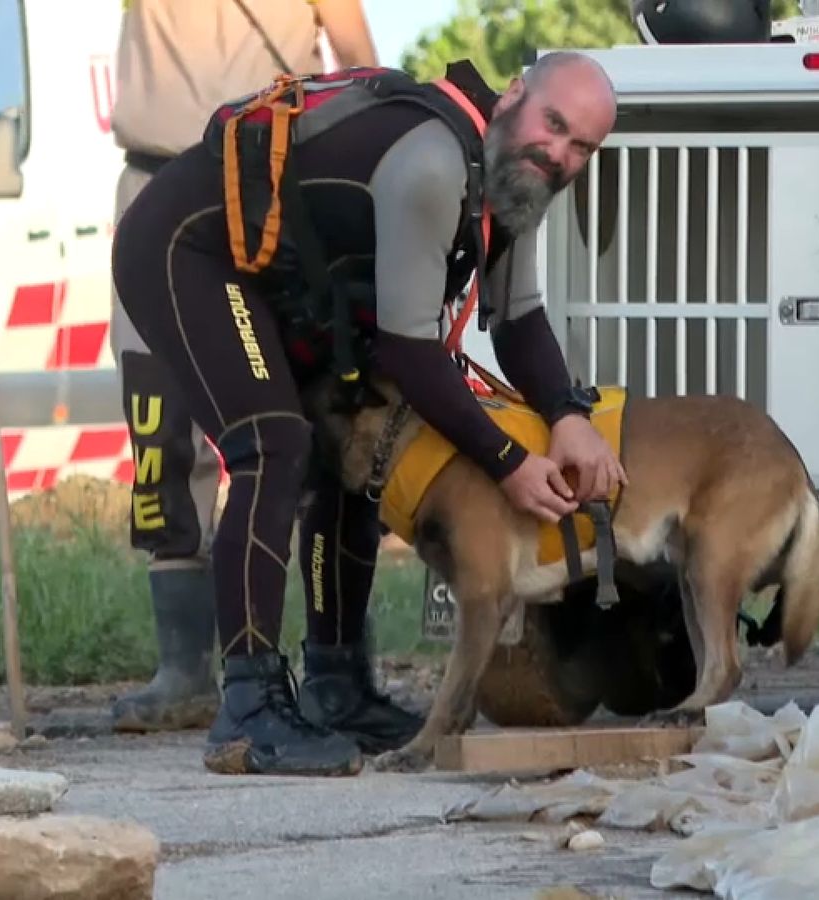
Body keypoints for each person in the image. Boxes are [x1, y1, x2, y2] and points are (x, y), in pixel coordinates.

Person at [110, 50, 625, 776]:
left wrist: (569, 414)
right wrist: (507, 461)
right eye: (554, 125)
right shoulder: (436, 163)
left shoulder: (514, 178)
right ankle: (250, 708)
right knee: (273, 444)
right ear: (513, 97)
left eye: (582, 147)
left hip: (278, 277)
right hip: (186, 248)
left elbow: (518, 319)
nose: (561, 154)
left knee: (348, 455)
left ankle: (336, 685)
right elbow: (412, 354)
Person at [106, 0, 380, 735]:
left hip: (265, 189)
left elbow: (359, 64)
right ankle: (184, 668)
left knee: (297, 432)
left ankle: (324, 659)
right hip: (153, 187)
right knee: (160, 432)